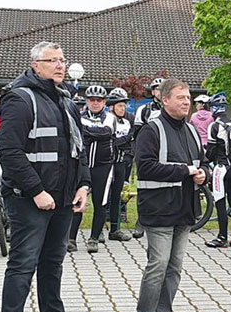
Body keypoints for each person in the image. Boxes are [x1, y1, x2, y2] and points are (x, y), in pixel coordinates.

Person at [0, 41, 91, 312]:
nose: (60, 65)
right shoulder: (19, 98)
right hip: (29, 199)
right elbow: (9, 152)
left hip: (64, 199)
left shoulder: (67, 99)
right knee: (22, 265)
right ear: (36, 65)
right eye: (53, 61)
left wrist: (84, 185)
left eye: (63, 60)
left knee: (53, 264)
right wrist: (37, 191)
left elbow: (78, 149)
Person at [133, 79, 209, 312]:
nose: (187, 102)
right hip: (158, 210)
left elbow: (203, 163)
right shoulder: (151, 130)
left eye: (188, 97)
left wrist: (204, 175)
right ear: (164, 100)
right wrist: (184, 170)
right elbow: (144, 168)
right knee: (158, 265)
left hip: (184, 210)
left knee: (174, 267)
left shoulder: (190, 131)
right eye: (180, 98)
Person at [68, 85, 123, 253]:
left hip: (103, 166)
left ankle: (93, 239)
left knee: (100, 203)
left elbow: (105, 132)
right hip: (82, 167)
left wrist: (86, 131)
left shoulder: (110, 118)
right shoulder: (79, 116)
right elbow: (75, 133)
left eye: (99, 100)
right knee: (77, 201)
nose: (95, 103)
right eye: (92, 100)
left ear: (105, 102)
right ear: (87, 101)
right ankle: (71, 239)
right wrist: (90, 131)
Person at [205, 92, 231, 248]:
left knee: (220, 202)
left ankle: (222, 237)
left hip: (221, 168)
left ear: (214, 108)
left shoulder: (214, 126)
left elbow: (211, 151)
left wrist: (206, 158)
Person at [131, 77, 165, 239]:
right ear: (153, 92)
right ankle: (141, 222)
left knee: (164, 188)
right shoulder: (144, 110)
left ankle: (161, 220)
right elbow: (137, 133)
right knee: (144, 189)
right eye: (157, 89)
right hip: (148, 154)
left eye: (163, 88)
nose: (160, 91)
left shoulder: (170, 108)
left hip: (166, 154)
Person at [105, 87, 135, 241]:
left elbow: (129, 141)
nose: (123, 108)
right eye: (120, 106)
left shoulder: (128, 121)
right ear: (111, 107)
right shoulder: (106, 120)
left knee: (118, 196)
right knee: (102, 197)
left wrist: (126, 141)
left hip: (121, 162)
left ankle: (115, 230)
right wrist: (126, 139)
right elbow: (112, 142)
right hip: (106, 163)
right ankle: (96, 231)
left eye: (124, 105)